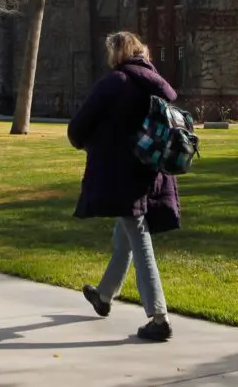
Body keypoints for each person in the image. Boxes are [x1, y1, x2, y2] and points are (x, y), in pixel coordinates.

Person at [67, 31, 180, 342]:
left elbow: (77, 129)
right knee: (125, 235)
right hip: (151, 170)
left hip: (122, 173)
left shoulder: (115, 82)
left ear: (116, 53)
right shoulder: (154, 82)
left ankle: (158, 316)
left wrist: (87, 141)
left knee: (138, 235)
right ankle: (103, 296)